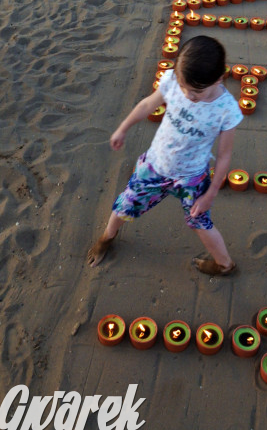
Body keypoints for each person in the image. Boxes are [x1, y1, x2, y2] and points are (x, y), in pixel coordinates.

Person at [87, 35, 242, 276]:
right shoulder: (172, 79)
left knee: (200, 222)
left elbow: (224, 156)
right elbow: (147, 105)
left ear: (219, 77)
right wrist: (123, 127)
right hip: (155, 166)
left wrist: (210, 194)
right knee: (125, 204)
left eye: (196, 92)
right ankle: (106, 239)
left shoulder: (227, 110)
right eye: (183, 87)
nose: (188, 95)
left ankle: (225, 265)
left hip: (192, 178)